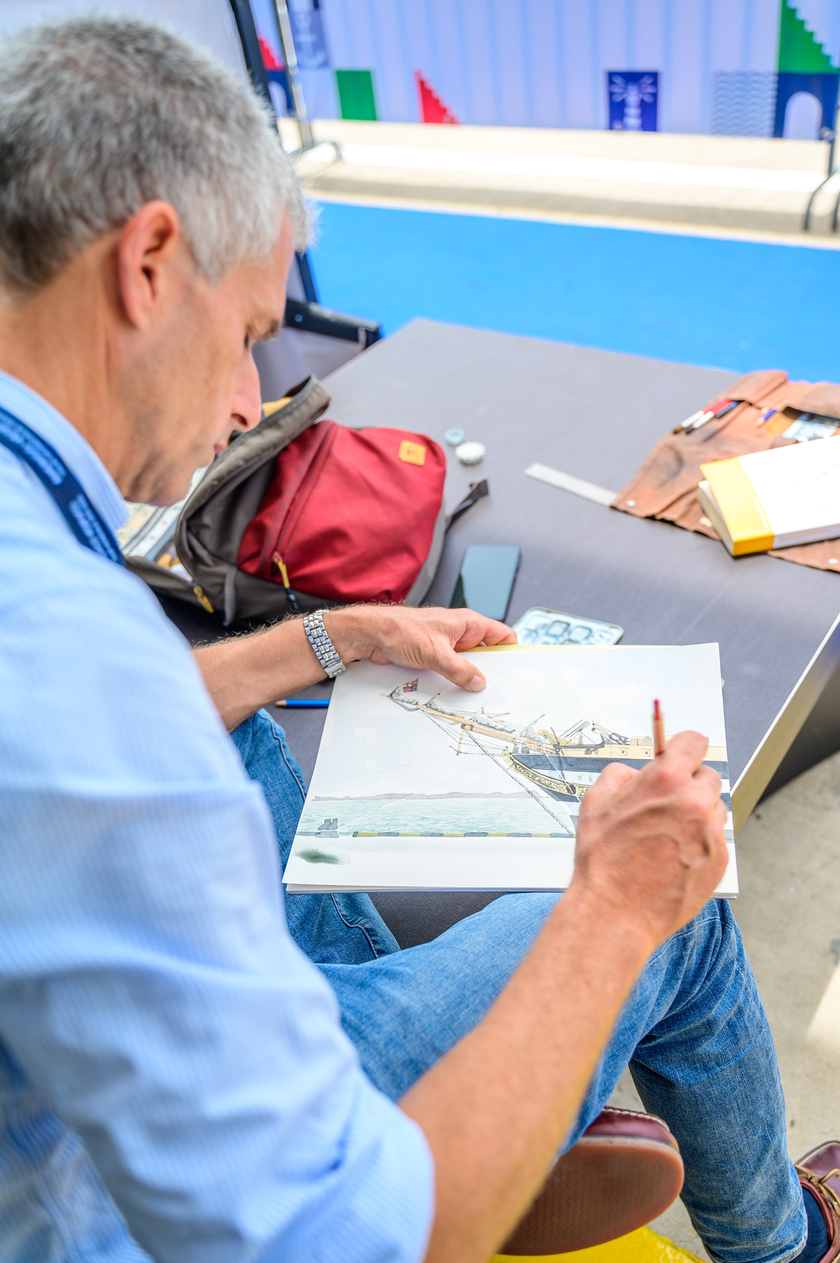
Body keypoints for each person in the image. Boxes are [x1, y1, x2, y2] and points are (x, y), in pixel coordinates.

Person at [0, 15, 837, 1263]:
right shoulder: (68, 646)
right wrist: (611, 910)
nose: (248, 400)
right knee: (679, 909)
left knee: (265, 758)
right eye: (247, 334)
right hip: (163, 1189)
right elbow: (327, 1234)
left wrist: (321, 642)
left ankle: (519, 1090)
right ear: (151, 262)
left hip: (129, 1049)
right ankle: (782, 1240)